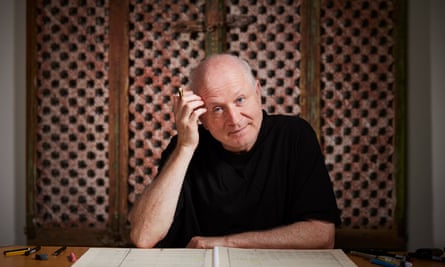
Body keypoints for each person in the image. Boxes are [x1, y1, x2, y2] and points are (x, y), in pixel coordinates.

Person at [128, 54, 341, 249]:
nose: (235, 119)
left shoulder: (294, 135)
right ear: (202, 117)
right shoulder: (185, 144)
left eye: (240, 100)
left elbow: (322, 236)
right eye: (218, 109)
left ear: (257, 93)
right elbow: (143, 236)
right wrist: (185, 148)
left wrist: (226, 243)